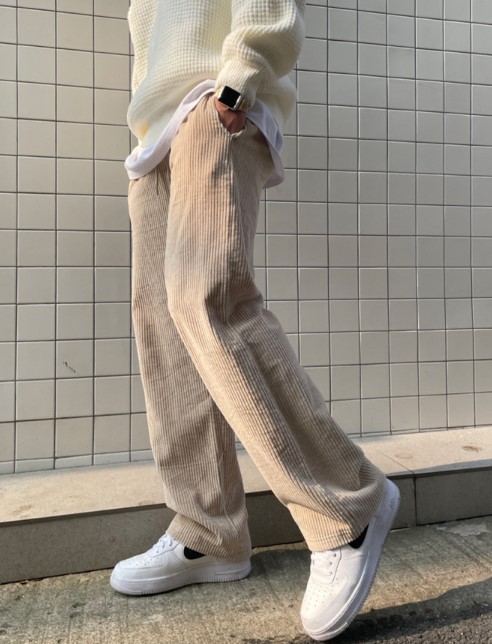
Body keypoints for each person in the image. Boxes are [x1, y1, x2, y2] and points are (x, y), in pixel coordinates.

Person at [110, 1, 400, 640]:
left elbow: (271, 9)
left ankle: (348, 503)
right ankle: (209, 530)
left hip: (213, 104)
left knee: (211, 302)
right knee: (165, 330)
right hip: (154, 135)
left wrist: (238, 83)